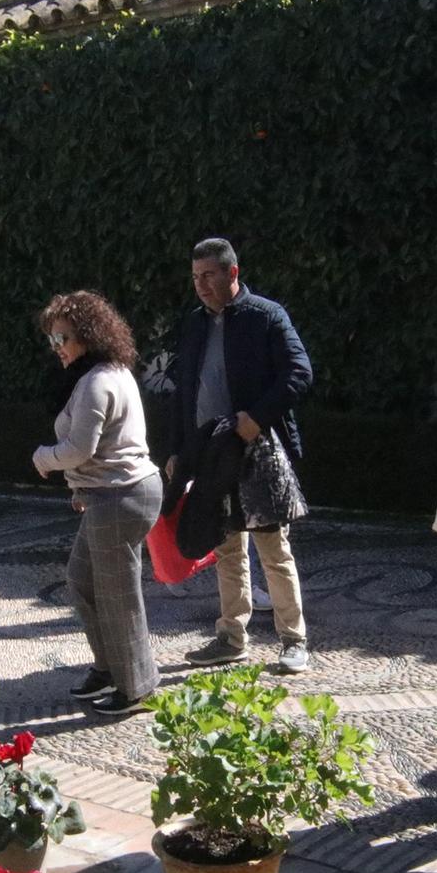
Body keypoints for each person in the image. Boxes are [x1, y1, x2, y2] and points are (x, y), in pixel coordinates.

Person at [157, 237, 314, 674]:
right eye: (195, 277)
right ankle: (231, 636)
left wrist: (256, 417)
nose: (201, 285)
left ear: (232, 273)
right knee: (225, 545)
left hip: (256, 451)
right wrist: (175, 452)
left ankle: (293, 640)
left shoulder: (266, 316)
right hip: (208, 454)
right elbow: (181, 393)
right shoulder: (193, 324)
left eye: (208, 275)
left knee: (272, 546)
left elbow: (299, 373)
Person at [31, 292, 163, 717]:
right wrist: (80, 489)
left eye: (63, 339)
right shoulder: (111, 371)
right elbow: (106, 447)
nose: (58, 349)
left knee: (118, 595)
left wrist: (43, 458)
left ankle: (136, 687)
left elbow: (79, 450)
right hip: (115, 493)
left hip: (121, 497)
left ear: (88, 335)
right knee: (83, 579)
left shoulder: (97, 381)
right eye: (52, 341)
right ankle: (109, 668)